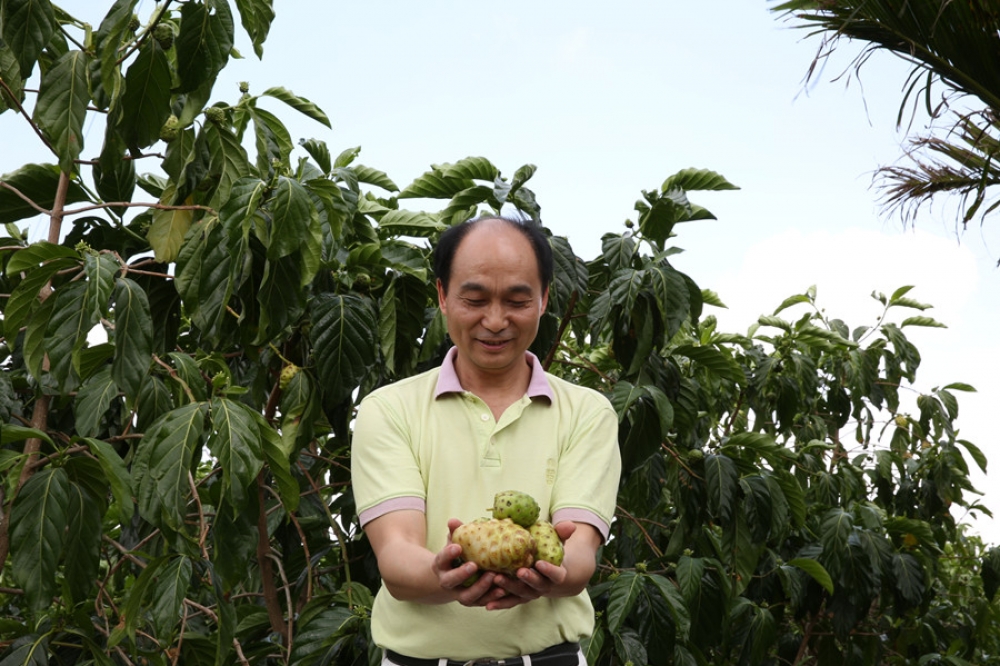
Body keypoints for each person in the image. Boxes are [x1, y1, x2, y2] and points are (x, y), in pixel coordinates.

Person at [351, 216, 621, 665]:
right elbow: (397, 557)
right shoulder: (389, 409)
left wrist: (553, 573)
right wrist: (444, 576)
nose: (495, 321)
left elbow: (579, 555)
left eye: (517, 300)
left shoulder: (587, 412)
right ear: (441, 295)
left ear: (544, 299)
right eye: (474, 299)